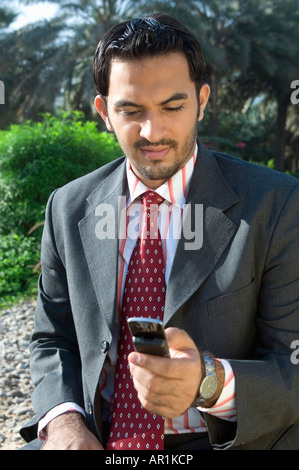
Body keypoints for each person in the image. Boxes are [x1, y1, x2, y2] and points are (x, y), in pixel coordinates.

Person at [20, 14, 299, 450]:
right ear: (104, 112)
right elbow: (52, 338)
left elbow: (292, 362)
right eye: (130, 111)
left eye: (173, 107)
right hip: (97, 437)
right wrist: (64, 421)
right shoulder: (67, 207)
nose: (153, 132)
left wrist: (208, 382)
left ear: (202, 101)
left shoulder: (277, 204)